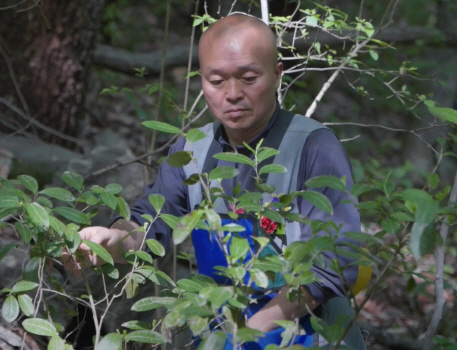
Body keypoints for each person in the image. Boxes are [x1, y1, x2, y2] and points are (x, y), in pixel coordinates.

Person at [63, 13, 364, 348]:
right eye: (217, 81)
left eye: (249, 78)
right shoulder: (192, 149)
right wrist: (112, 239)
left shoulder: (313, 147)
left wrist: (246, 332)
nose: (232, 93)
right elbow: (150, 227)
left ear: (277, 73)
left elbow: (334, 265)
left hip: (309, 335)